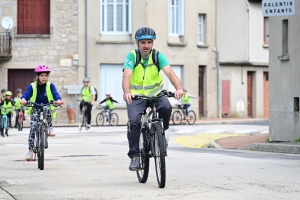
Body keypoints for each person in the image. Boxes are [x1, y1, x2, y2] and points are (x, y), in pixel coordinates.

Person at [122, 27, 184, 171]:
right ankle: (135, 156)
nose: (146, 46)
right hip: (137, 97)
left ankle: (161, 135)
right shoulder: (132, 56)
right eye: (143, 42)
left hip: (156, 94)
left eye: (149, 42)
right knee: (134, 122)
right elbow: (126, 75)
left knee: (167, 108)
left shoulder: (157, 56)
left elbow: (170, 73)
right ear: (137, 43)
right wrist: (127, 93)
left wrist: (178, 88)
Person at [20, 64, 63, 161]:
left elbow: (55, 94)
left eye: (46, 75)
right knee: (32, 128)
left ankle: (50, 127)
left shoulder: (50, 85)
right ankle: (30, 151)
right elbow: (26, 94)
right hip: (35, 107)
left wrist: (58, 100)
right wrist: (23, 99)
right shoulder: (31, 86)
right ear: (37, 76)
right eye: (42, 75)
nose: (44, 78)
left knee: (47, 109)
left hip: (46, 105)